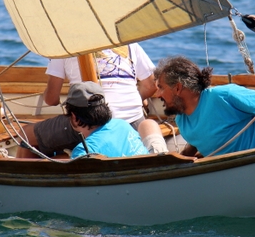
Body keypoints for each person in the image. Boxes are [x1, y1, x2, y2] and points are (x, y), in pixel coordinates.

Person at [17, 44, 156, 158]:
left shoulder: (64, 45)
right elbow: (151, 86)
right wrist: (139, 98)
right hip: (133, 120)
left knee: (25, 136)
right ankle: (68, 158)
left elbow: (52, 99)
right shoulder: (128, 44)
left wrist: (47, 92)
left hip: (90, 120)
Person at [153, 56, 255, 158]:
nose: (158, 94)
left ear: (178, 88)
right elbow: (200, 139)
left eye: (161, 87)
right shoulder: (181, 119)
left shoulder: (224, 95)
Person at [49, 82, 165, 159]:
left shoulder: (83, 151)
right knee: (149, 124)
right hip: (149, 168)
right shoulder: (122, 125)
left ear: (74, 117)